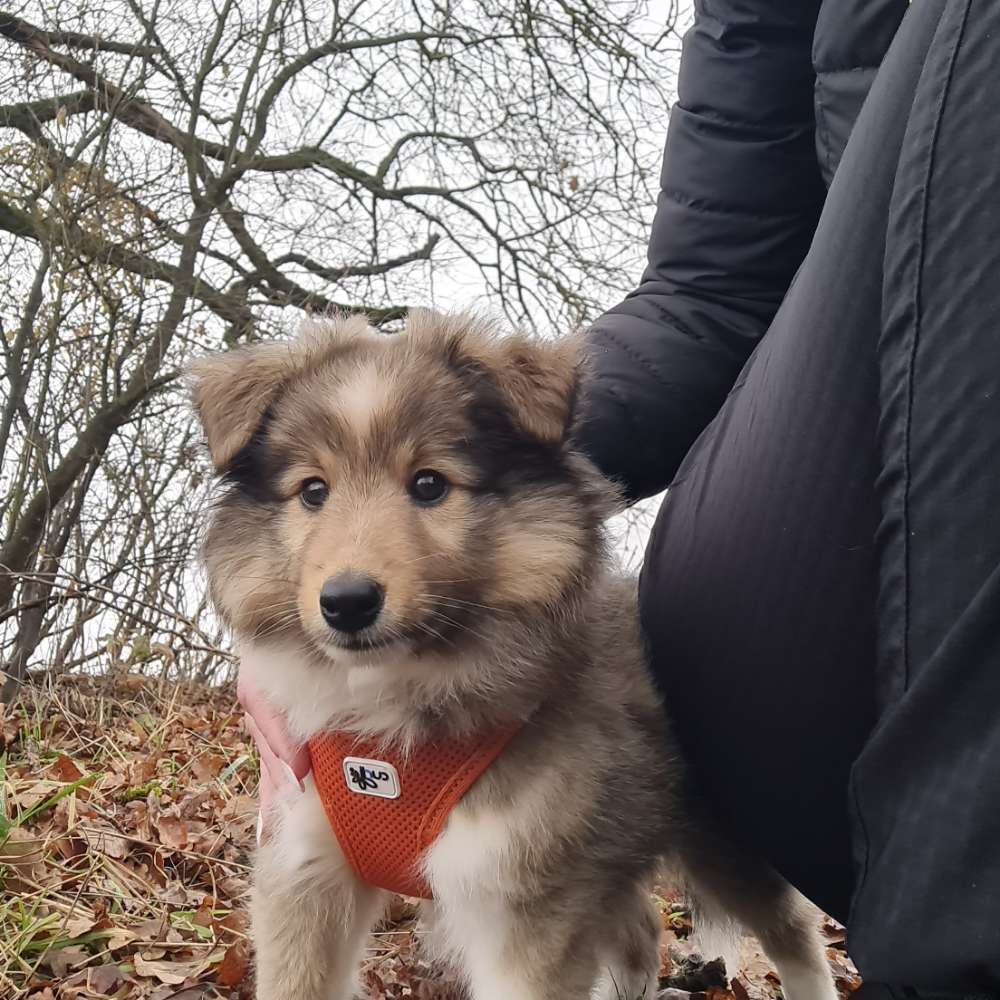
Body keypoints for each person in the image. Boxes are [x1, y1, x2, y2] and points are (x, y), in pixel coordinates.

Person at [242, 0, 1000, 994]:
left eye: (427, 485)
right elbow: (711, 288)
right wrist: (487, 457)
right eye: (312, 491)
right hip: (863, 386)